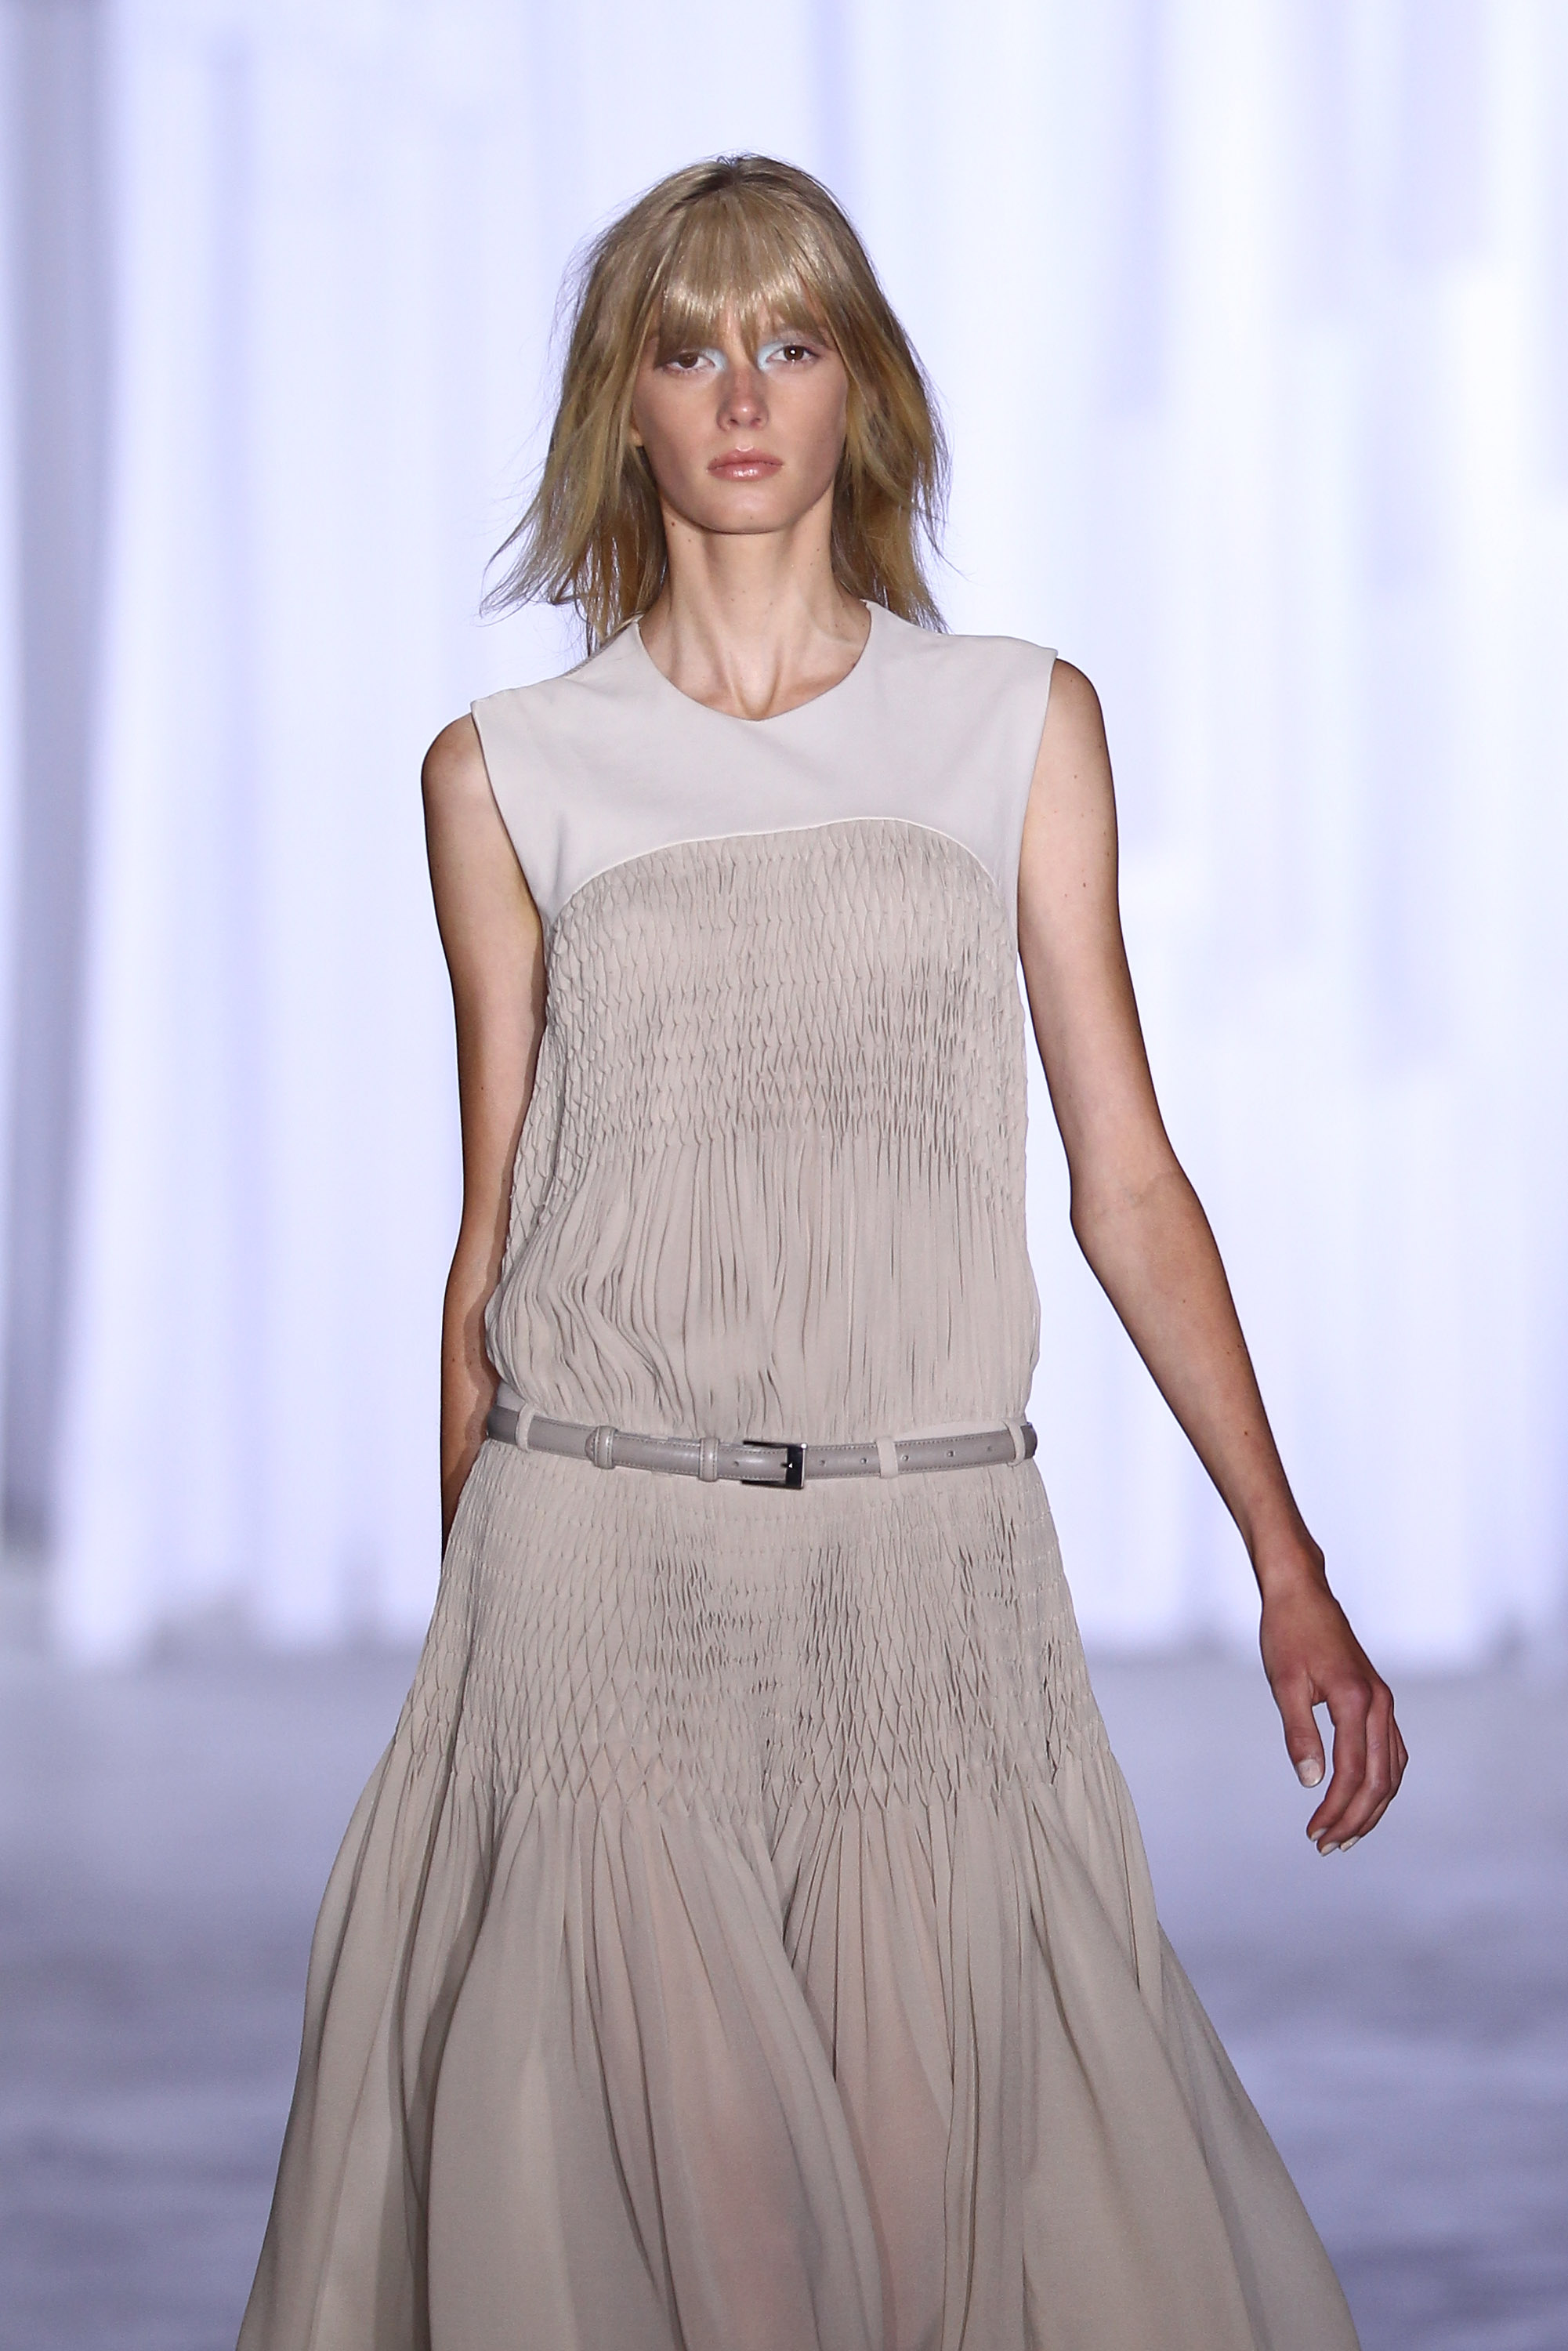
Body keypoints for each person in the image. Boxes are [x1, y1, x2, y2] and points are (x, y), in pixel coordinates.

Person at [237, 154, 1406, 2351]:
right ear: (625, 402)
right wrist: (474, 1658)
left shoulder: (1014, 724)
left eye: (789, 341)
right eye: (688, 349)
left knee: (930, 2240)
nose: (742, 394)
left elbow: (1127, 1178)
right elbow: (495, 1237)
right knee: (712, 2258)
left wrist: (1286, 1562)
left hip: (928, 1574)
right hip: (602, 1575)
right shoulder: (507, 774)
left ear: (861, 385)